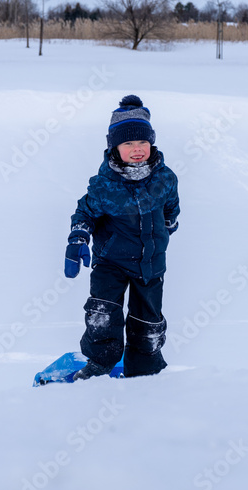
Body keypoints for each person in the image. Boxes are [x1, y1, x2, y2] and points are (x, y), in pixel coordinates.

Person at [64, 95, 180, 381]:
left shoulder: (165, 178)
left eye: (142, 143)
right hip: (111, 262)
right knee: (103, 314)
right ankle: (100, 364)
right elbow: (85, 212)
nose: (137, 149)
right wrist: (78, 237)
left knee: (148, 321)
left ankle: (145, 371)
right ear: (114, 147)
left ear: (151, 143)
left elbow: (171, 207)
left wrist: (167, 225)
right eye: (128, 144)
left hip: (150, 262)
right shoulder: (105, 185)